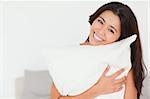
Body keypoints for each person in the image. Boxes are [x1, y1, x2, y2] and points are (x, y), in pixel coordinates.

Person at [51, 1, 147, 99]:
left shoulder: (122, 65)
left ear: (121, 39)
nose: (101, 31)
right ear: (94, 19)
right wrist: (98, 90)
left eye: (111, 30)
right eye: (100, 21)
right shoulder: (68, 56)